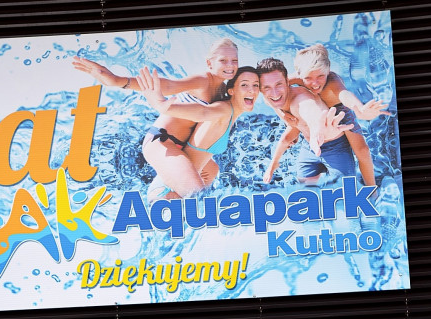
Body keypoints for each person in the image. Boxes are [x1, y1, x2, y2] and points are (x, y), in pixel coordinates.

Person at [73, 39, 239, 199]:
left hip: (184, 146)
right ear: (209, 63)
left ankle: (162, 192)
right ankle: (157, 194)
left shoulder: (224, 91)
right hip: (162, 143)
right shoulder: (203, 80)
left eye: (234, 61)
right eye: (223, 60)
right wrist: (118, 81)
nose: (230, 65)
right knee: (196, 194)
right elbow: (168, 85)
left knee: (211, 171)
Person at [136, 66, 260, 197]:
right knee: (202, 202)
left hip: (175, 188)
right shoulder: (224, 109)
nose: (251, 90)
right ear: (231, 91)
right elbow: (203, 112)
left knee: (210, 180)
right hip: (168, 192)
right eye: (244, 85)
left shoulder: (231, 115)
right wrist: (164, 107)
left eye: (256, 85)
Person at [258, 57, 375, 188]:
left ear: (287, 82)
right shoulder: (272, 95)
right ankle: (274, 164)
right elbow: (272, 99)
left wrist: (316, 131)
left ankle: (372, 189)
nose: (274, 92)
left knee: (348, 184)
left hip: (335, 143)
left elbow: (311, 110)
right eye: (266, 87)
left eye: (279, 84)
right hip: (308, 147)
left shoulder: (303, 97)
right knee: (306, 187)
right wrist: (283, 115)